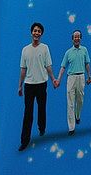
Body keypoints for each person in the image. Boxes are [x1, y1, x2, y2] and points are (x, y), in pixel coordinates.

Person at [17, 22, 57, 151]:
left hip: (41, 84)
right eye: (35, 30)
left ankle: (41, 127)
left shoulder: (45, 48)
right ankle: (24, 140)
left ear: (41, 34)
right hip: (29, 85)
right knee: (28, 113)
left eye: (39, 31)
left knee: (41, 108)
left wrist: (53, 79)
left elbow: (48, 66)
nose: (36, 33)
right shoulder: (25, 50)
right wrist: (20, 86)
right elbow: (23, 69)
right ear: (31, 32)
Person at [55, 30, 91, 135]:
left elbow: (87, 64)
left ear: (81, 38)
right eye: (75, 37)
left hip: (81, 77)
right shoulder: (68, 52)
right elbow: (63, 67)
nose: (77, 38)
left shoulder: (84, 50)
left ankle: (78, 115)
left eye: (78, 36)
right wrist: (58, 79)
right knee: (70, 102)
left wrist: (89, 76)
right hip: (71, 78)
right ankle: (71, 127)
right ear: (72, 39)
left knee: (80, 100)